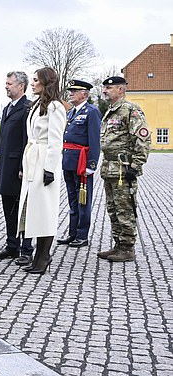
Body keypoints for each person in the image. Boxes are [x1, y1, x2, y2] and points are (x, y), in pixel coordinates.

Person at [17, 67, 66, 274]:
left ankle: (43, 256)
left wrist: (49, 169)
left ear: (46, 83)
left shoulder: (55, 107)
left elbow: (56, 140)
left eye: (36, 80)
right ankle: (38, 255)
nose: (33, 83)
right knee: (33, 208)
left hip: (45, 160)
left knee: (44, 210)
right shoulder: (38, 105)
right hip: (33, 159)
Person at [97, 76, 150, 262]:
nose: (105, 91)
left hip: (123, 169)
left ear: (120, 90)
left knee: (125, 209)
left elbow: (143, 139)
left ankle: (127, 248)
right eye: (104, 88)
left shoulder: (130, 110)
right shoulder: (111, 111)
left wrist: (135, 166)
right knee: (112, 209)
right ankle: (118, 245)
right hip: (109, 168)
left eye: (109, 88)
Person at [0, 71, 33, 265]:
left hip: (18, 167)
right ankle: (12, 245)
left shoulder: (27, 108)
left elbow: (27, 140)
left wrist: (23, 166)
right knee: (8, 207)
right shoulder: (7, 108)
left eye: (9, 84)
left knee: (22, 208)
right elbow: (3, 139)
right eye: (6, 83)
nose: (6, 86)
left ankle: (26, 248)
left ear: (21, 86)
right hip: (6, 166)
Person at [57, 79, 101, 248]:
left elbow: (95, 141)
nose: (71, 93)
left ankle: (82, 235)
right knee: (73, 199)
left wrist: (91, 165)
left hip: (82, 163)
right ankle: (72, 233)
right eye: (71, 91)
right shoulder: (71, 113)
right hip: (69, 161)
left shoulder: (92, 112)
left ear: (85, 94)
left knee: (83, 200)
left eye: (75, 91)